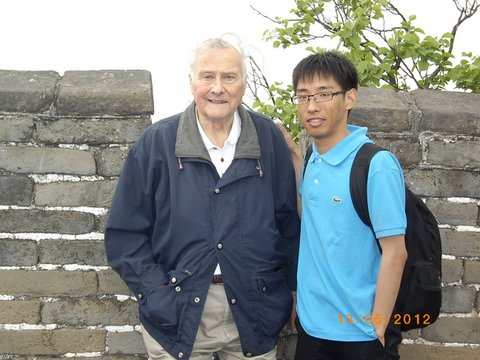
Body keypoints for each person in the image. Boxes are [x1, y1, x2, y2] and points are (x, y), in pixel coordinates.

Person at [104, 34, 300, 360]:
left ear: (244, 84)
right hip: (179, 309)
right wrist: (157, 292)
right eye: (207, 76)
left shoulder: (268, 139)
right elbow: (124, 235)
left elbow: (287, 222)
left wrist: (291, 290)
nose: (217, 87)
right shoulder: (156, 144)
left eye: (229, 77)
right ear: (191, 81)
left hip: (255, 308)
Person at [277, 52, 408, 360]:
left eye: (324, 94)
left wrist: (377, 329)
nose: (311, 106)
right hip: (311, 328)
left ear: (350, 97)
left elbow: (395, 252)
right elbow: (309, 216)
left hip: (359, 333)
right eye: (303, 96)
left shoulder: (375, 164)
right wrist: (296, 156)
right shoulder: (314, 157)